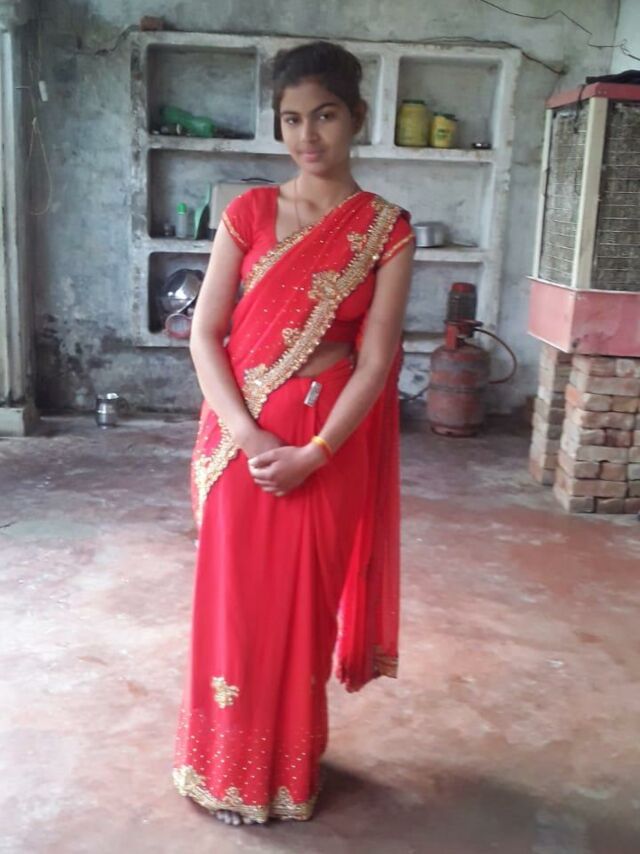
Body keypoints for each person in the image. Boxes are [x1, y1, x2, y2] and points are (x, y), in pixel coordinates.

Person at [172, 40, 415, 827]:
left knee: (303, 612)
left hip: (327, 444)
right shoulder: (248, 213)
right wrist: (248, 437)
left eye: (325, 116)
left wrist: (316, 452)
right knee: (236, 608)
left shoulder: (385, 229)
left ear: (357, 118)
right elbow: (205, 334)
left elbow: (375, 361)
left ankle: (286, 770)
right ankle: (225, 768)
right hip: (242, 439)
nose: (308, 135)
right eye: (291, 119)